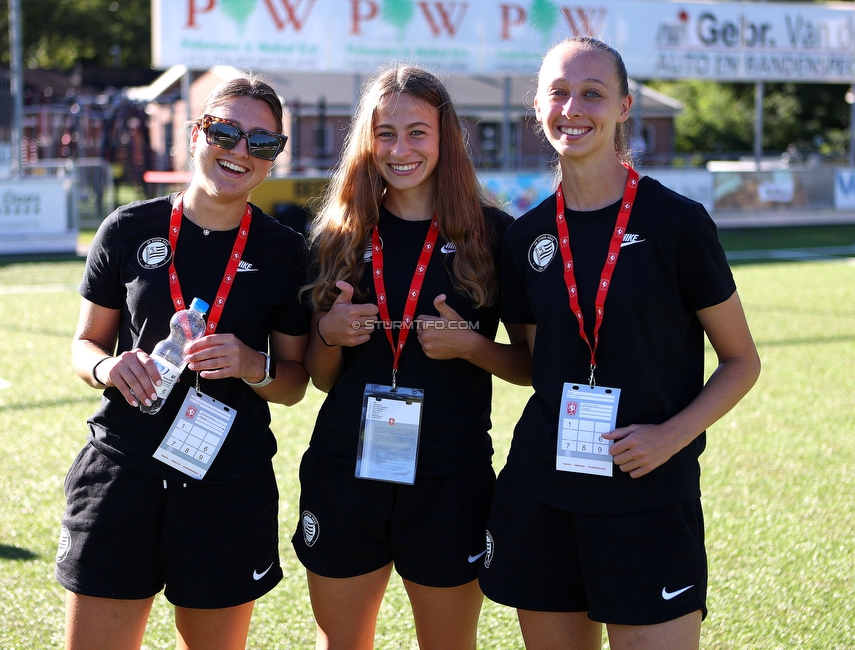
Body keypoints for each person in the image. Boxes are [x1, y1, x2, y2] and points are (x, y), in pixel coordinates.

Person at [479, 36, 761, 650]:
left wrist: (669, 437)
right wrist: (465, 346)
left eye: (592, 93)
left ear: (626, 107)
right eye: (558, 92)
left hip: (648, 490)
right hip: (541, 490)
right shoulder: (525, 238)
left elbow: (742, 361)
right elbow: (536, 364)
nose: (572, 107)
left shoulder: (677, 224)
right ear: (537, 106)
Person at [57, 75, 310, 650]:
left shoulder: (284, 251)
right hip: (122, 468)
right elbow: (84, 344)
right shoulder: (129, 228)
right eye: (225, 131)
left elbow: (294, 382)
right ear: (197, 134)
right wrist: (107, 368)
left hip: (226, 478)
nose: (240, 150)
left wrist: (252, 363)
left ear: (274, 156)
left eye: (262, 142)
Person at [292, 65, 531, 650]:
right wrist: (328, 333)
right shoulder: (335, 235)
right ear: (366, 140)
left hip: (451, 473)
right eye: (386, 132)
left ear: (446, 137)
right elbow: (323, 381)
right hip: (347, 467)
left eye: (418, 132)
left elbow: (532, 367)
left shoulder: (495, 235)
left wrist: (472, 347)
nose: (401, 150)